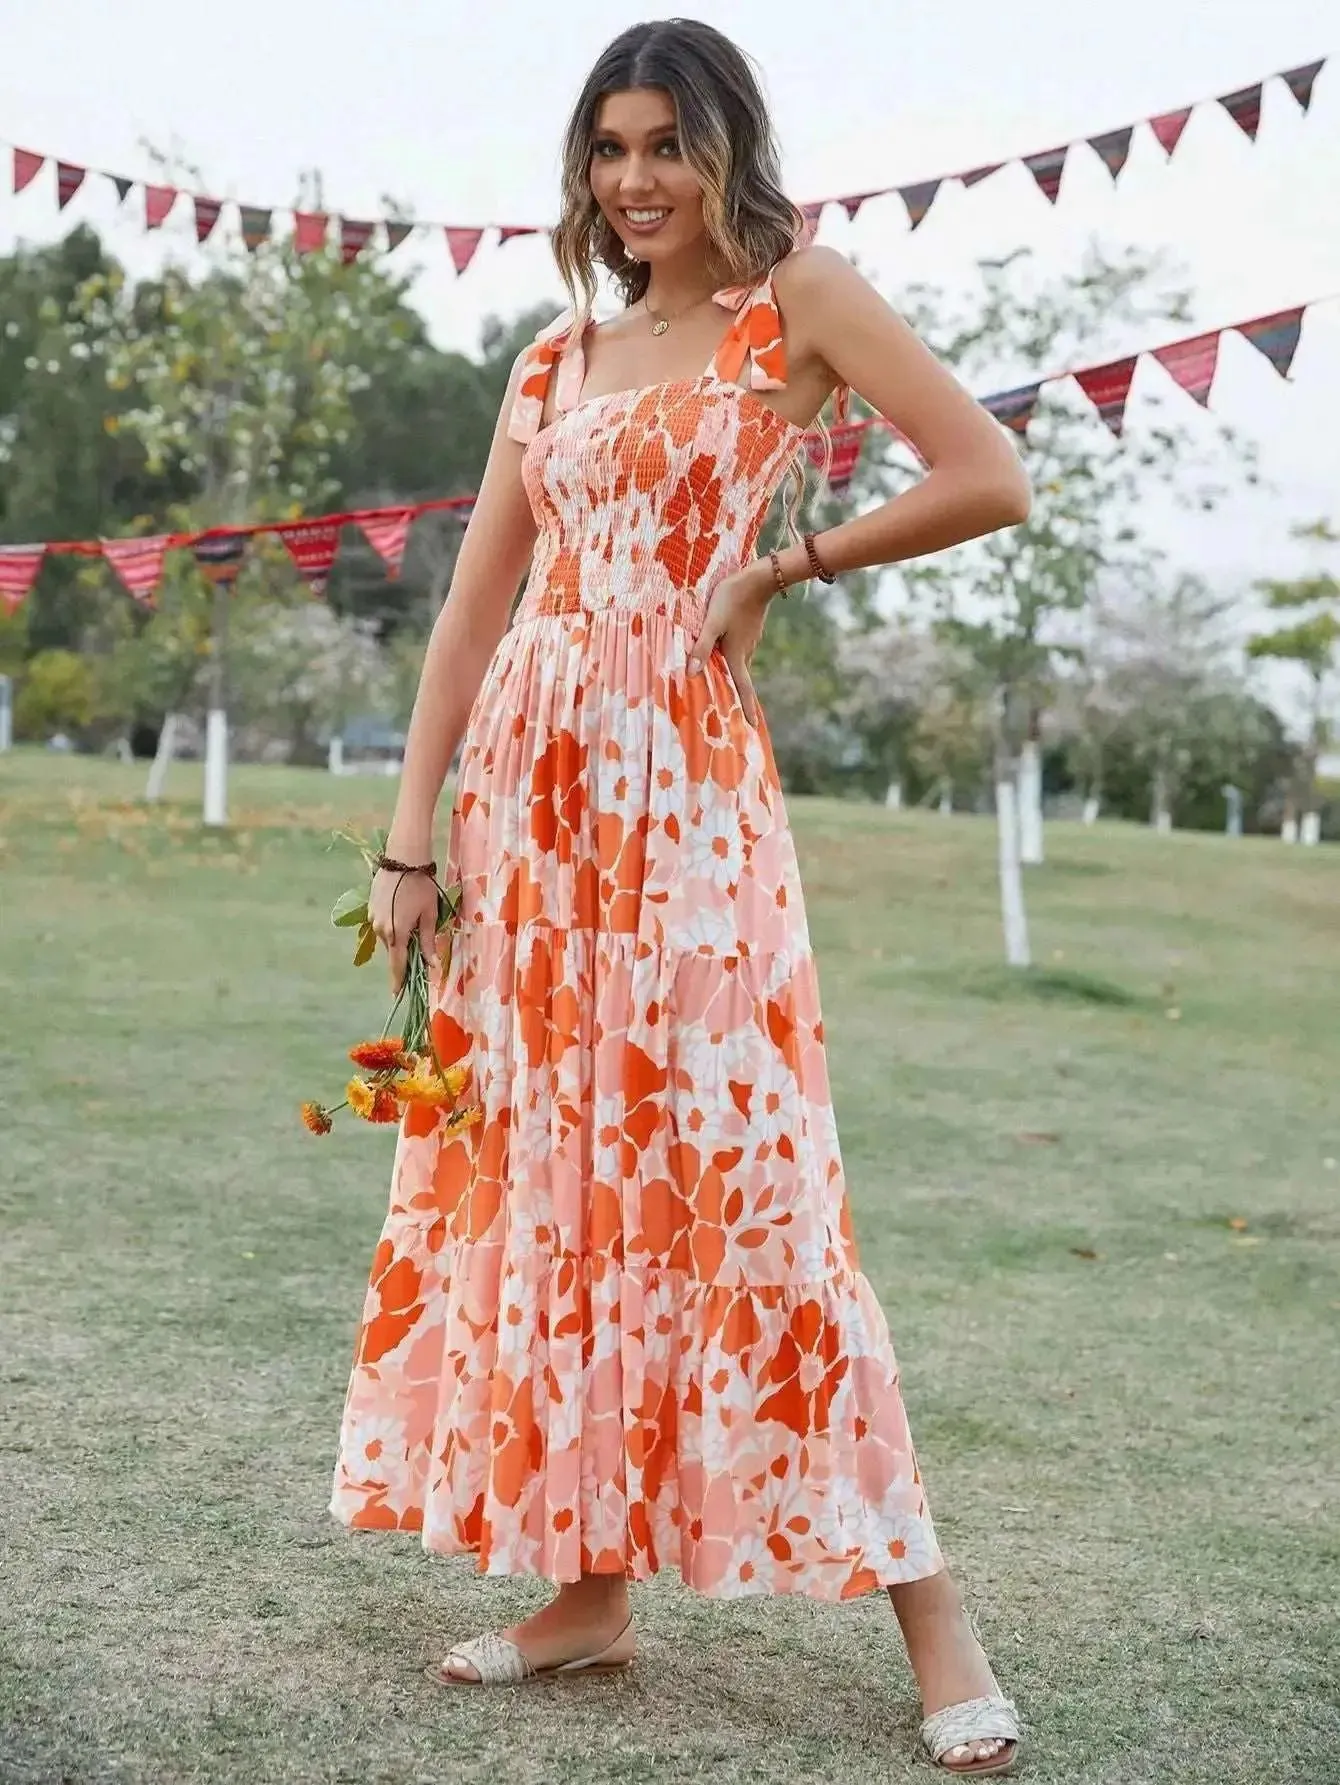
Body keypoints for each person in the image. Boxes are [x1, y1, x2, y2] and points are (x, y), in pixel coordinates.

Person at [330, 17, 1030, 1776]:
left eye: (664, 143)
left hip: (691, 805)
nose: (632, 180)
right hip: (530, 804)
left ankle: (934, 1619)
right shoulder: (551, 359)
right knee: (560, 1176)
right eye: (607, 147)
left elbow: (986, 474)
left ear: (728, 146)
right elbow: (471, 617)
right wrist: (415, 838)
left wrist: (780, 564)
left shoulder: (799, 302)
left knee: (754, 1187)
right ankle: (585, 1596)